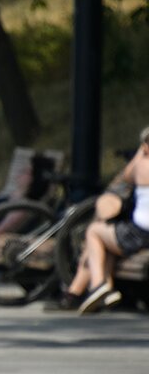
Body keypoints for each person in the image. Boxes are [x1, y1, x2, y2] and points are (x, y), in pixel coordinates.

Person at [59, 126, 149, 314]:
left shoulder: (142, 165)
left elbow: (126, 176)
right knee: (106, 243)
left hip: (141, 233)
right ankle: (103, 294)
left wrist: (141, 152)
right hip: (140, 233)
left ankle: (97, 285)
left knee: (94, 231)